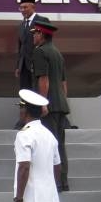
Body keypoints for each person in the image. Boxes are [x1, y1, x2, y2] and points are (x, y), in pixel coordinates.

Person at [31, 20, 70, 191]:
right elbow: (63, 83)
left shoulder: (40, 52)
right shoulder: (57, 53)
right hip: (60, 104)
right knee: (59, 144)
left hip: (49, 105)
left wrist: (42, 102)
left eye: (35, 33)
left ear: (41, 34)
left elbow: (43, 79)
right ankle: (63, 181)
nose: (33, 36)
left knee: (49, 144)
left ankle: (55, 182)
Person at [15, 0, 49, 92]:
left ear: (33, 7)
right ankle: (27, 107)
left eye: (25, 7)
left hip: (37, 64)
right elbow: (20, 46)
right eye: (20, 8)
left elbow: (46, 42)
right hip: (24, 66)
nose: (22, 10)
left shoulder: (42, 20)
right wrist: (18, 66)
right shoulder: (21, 25)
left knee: (37, 91)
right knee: (25, 92)